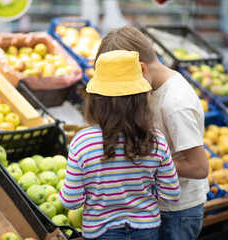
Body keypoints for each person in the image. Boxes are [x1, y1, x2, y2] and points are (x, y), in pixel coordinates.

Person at [94, 26, 209, 240]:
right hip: (159, 202)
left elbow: (200, 168)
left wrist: (145, 158)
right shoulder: (152, 89)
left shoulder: (176, 104)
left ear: (142, 69)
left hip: (177, 211)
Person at [59, 50, 181, 240]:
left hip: (101, 232)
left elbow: (70, 201)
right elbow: (172, 194)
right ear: (142, 100)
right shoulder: (156, 140)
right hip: (147, 231)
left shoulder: (82, 142)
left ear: (94, 101)